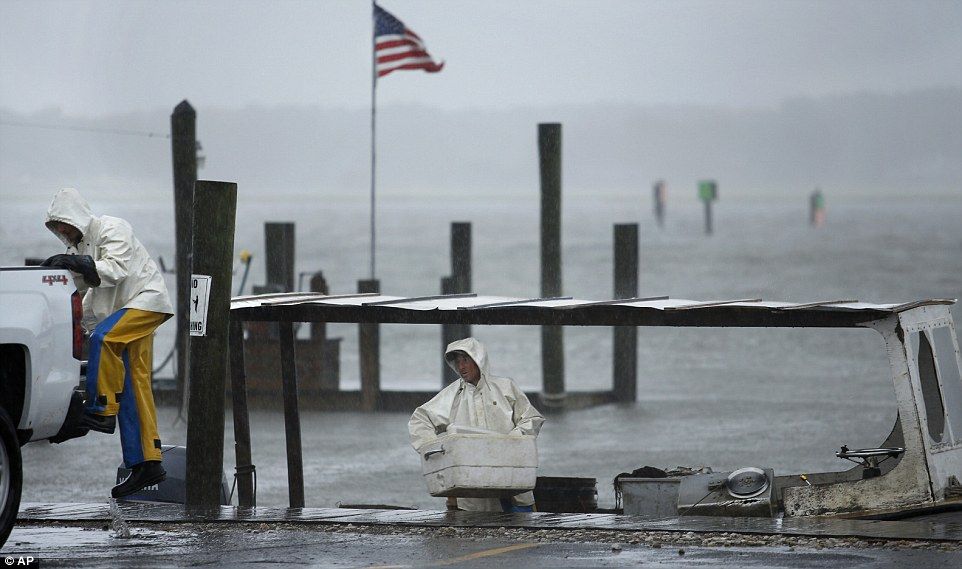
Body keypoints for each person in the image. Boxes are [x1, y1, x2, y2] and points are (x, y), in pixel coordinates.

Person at [42, 188, 174, 499]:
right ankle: (146, 463)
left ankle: (100, 409)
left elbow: (115, 270)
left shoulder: (113, 227)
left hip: (146, 301)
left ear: (75, 217)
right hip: (125, 312)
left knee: (104, 338)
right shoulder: (80, 249)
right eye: (57, 229)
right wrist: (52, 280)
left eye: (63, 225)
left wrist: (78, 263)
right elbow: (82, 290)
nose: (63, 232)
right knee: (133, 385)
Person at [408, 337, 545, 512]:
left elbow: (532, 418)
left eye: (466, 360)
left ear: (478, 359)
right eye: (457, 362)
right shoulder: (452, 395)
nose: (461, 367)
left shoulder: (505, 387)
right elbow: (419, 419)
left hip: (513, 485)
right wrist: (437, 451)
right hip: (471, 491)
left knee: (522, 528)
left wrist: (511, 442)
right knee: (478, 525)